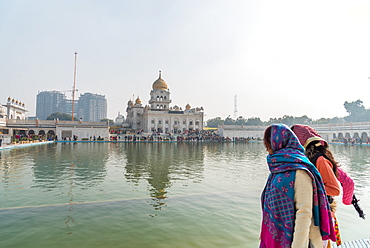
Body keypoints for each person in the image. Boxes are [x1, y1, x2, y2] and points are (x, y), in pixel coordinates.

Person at [260, 124, 335, 247]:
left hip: (297, 241)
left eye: (269, 144)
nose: (267, 149)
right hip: (275, 236)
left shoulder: (299, 171)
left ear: (279, 142)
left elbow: (304, 213)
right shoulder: (278, 167)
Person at [291, 124, 344, 246]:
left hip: (321, 212)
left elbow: (335, 189)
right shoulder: (305, 159)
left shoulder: (319, 160)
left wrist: (308, 187)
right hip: (312, 210)